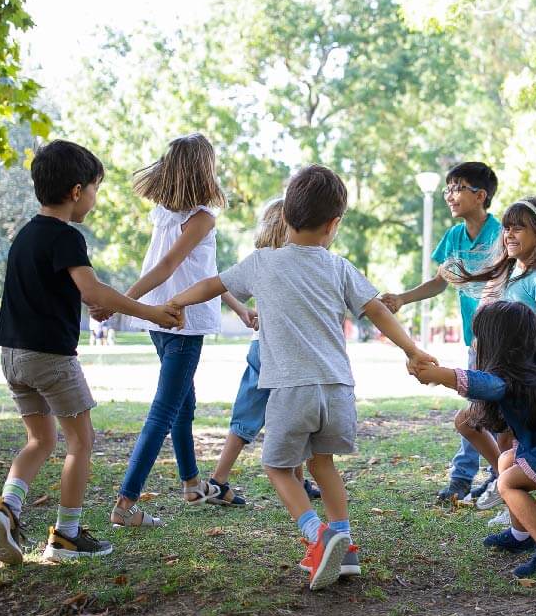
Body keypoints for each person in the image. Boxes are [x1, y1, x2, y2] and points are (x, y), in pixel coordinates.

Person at [167, 164, 433, 590]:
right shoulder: (339, 267)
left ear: (284, 217)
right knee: (322, 464)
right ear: (334, 225)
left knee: (276, 465)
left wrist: (177, 300)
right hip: (338, 390)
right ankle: (344, 546)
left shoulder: (261, 263)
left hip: (291, 390)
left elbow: (213, 285)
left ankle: (317, 535)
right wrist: (413, 349)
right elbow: (378, 309)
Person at [0, 139, 181, 565]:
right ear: (76, 192)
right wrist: (150, 311)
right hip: (51, 358)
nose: (94, 197)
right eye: (94, 189)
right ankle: (66, 536)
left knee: (39, 439)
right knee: (80, 441)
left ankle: (6, 509)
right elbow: (91, 289)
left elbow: (67, 293)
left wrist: (97, 303)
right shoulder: (67, 237)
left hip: (12, 356)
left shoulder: (25, 237)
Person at [104, 134, 255, 529]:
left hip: (162, 317)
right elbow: (169, 266)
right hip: (181, 321)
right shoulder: (201, 216)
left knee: (183, 405)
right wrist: (120, 301)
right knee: (166, 409)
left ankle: (191, 484)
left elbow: (203, 271)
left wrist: (237, 306)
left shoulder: (164, 213)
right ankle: (126, 503)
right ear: (205, 168)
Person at [410, 301, 536, 577]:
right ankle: (521, 535)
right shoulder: (534, 370)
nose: (475, 344)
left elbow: (487, 384)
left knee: (507, 482)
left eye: (480, 337)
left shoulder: (514, 377)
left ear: (499, 343)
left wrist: (440, 375)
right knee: (507, 461)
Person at [445, 197, 536, 520]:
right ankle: (502, 480)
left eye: (519, 227)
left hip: (524, 377)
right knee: (467, 423)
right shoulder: (509, 275)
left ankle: (511, 498)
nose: (509, 234)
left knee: (507, 437)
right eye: (507, 227)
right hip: (500, 374)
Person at [381, 161, 501, 502]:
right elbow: (439, 282)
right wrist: (402, 299)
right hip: (474, 340)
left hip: (502, 340)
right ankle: (494, 474)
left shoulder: (501, 233)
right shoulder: (453, 237)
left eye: (457, 188)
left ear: (480, 196)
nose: (450, 195)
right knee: (478, 408)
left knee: (479, 409)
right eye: (447, 189)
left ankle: (467, 477)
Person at [208, 198, 321, 508]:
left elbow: (221, 284)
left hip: (260, 347)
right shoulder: (295, 261)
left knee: (247, 416)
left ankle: (219, 479)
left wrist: (246, 310)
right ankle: (295, 480)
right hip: (283, 352)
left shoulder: (260, 260)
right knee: (294, 412)